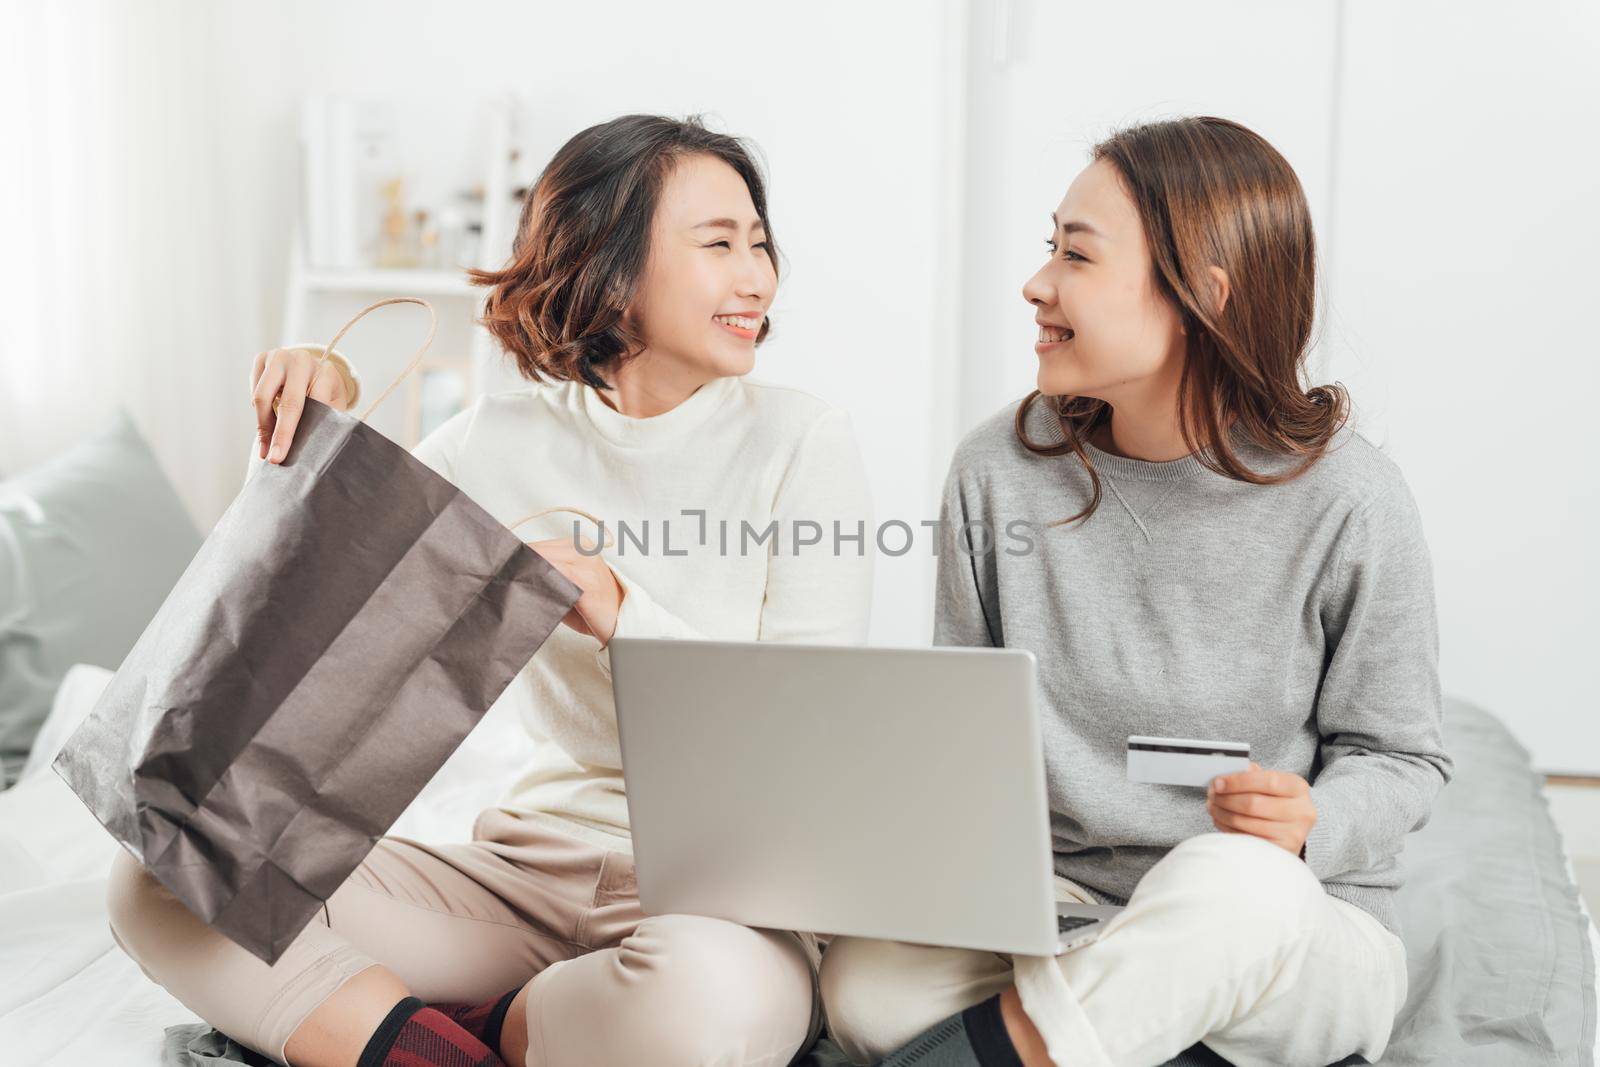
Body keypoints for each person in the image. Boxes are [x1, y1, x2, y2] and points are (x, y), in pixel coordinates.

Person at [105, 114, 873, 1067]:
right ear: (609, 263)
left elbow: (810, 743)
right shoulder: (491, 441)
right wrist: (323, 423)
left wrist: (622, 615)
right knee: (165, 875)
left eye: (759, 243)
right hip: (517, 878)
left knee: (711, 1004)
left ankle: (444, 1025)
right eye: (719, 243)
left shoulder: (801, 441)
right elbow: (293, 614)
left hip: (721, 898)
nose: (756, 275)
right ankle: (437, 1045)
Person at [817, 116, 1451, 1067]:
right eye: (1049, 248)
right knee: (865, 987)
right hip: (1055, 911)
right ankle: (1147, 1031)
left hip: (1289, 916)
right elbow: (964, 734)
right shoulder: (998, 469)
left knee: (1232, 890)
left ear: (1204, 292)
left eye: (1076, 255)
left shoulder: (1351, 498)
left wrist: (1314, 820)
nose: (1037, 285)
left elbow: (1402, 756)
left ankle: (1001, 1052)